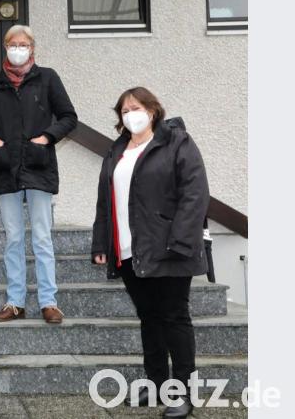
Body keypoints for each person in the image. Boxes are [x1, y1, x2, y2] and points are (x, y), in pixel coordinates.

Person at [91, 87, 209, 418]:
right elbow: (105, 202)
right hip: (130, 250)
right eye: (125, 110)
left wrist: (180, 241)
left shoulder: (177, 142)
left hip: (169, 249)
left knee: (174, 317)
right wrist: (101, 243)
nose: (131, 115)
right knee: (149, 317)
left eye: (137, 107)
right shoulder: (117, 150)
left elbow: (195, 193)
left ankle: (183, 393)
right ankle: (156, 383)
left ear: (153, 111)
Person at [0, 25, 78, 324]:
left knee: (42, 237)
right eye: (13, 44)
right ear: (5, 47)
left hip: (38, 166)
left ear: (32, 48)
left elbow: (69, 117)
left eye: (23, 44)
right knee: (14, 238)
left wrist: (46, 138)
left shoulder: (48, 78)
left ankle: (49, 302)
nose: (18, 48)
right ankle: (15, 302)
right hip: (7, 168)